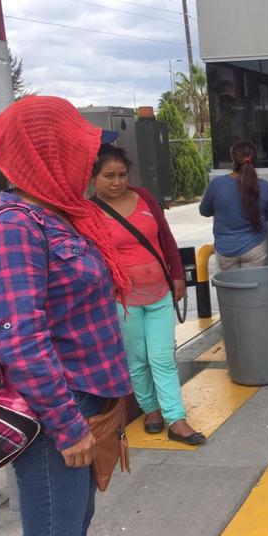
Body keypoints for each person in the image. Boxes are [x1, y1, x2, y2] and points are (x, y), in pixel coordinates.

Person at [0, 96, 133, 536]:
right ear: (47, 155)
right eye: (81, 153)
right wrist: (67, 427)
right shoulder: (16, 226)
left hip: (88, 399)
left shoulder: (61, 216)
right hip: (58, 413)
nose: (87, 163)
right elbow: (20, 339)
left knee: (71, 533)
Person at [92, 145, 206, 446]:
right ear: (93, 179)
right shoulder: (89, 212)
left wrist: (178, 275)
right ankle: (151, 410)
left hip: (159, 292)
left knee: (163, 357)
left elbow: (165, 236)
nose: (117, 182)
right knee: (138, 359)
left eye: (122, 175)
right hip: (121, 299)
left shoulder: (143, 197)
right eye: (109, 176)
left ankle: (176, 419)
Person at [199, 141, 268, 270]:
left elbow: (204, 211)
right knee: (252, 288)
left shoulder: (217, 185)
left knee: (229, 289)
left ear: (232, 159)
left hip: (225, 249)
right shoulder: (264, 186)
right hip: (255, 247)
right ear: (256, 159)